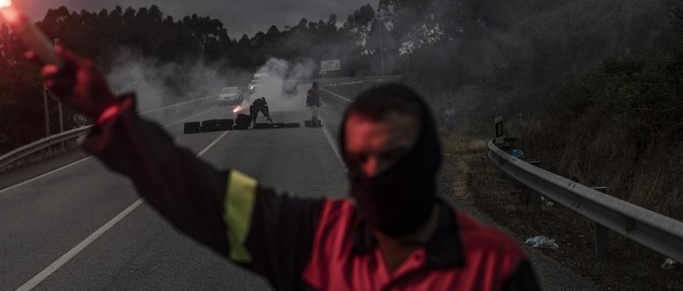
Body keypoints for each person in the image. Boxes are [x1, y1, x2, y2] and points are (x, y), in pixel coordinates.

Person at [38, 46, 540, 291]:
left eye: (393, 156)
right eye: (361, 159)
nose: (376, 171)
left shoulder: (495, 267)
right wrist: (110, 113)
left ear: (429, 157)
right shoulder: (321, 239)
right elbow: (200, 195)